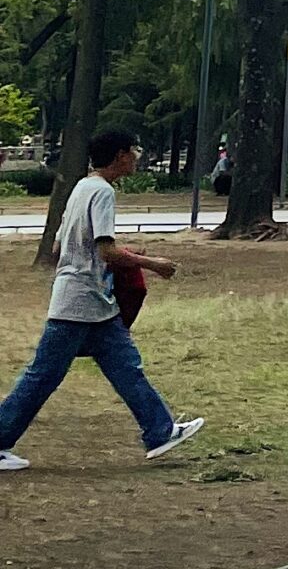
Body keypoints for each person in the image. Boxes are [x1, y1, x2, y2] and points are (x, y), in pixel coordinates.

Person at [0, 130, 203, 470]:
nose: (136, 158)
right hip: (80, 301)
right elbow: (105, 250)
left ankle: (160, 431)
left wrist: (119, 254)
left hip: (90, 301)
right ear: (120, 155)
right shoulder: (104, 192)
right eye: (133, 152)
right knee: (42, 376)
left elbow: (59, 247)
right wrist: (153, 264)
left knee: (126, 367)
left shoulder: (82, 187)